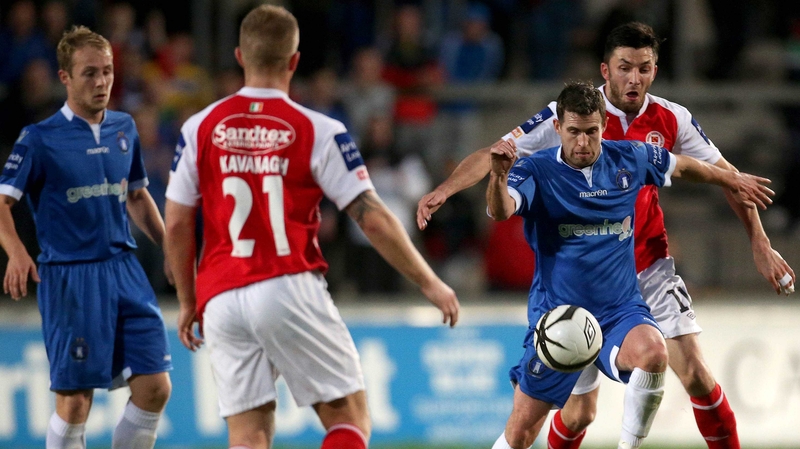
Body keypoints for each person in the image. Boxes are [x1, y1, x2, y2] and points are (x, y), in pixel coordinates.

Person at [418, 22, 796, 449]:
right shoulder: (570, 114)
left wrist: (760, 243)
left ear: (655, 70)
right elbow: (496, 157)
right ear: (605, 70)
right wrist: (446, 189)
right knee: (579, 414)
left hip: (645, 270)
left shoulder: (671, 120)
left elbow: (726, 177)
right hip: (574, 281)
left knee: (694, 373)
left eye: (644, 68)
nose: (634, 78)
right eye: (624, 68)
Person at [163, 6, 460, 449]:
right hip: (285, 282)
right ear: (295, 61)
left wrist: (189, 299)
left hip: (220, 294)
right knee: (349, 418)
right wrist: (429, 281)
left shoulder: (198, 126)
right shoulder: (320, 130)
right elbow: (371, 216)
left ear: (240, 56)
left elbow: (177, 222)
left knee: (248, 434)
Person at [487, 81, 773, 449]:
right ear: (557, 129)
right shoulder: (535, 171)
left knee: (654, 351)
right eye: (573, 132)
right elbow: (500, 211)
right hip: (560, 318)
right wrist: (497, 175)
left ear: (604, 125)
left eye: (592, 132)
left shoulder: (631, 157)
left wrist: (732, 178)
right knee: (524, 431)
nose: (583, 142)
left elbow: (685, 166)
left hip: (619, 308)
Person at [0, 26, 172, 449]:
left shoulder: (124, 127)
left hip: (124, 270)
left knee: (156, 388)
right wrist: (18, 252)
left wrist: (172, 248)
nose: (102, 82)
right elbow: (2, 202)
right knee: (76, 402)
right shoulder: (39, 139)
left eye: (108, 71)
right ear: (65, 77)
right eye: (90, 73)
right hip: (70, 278)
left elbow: (136, 195)